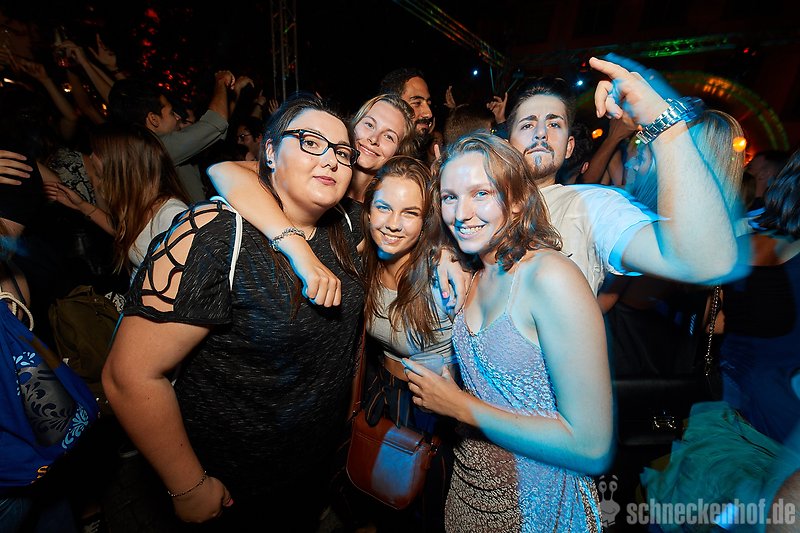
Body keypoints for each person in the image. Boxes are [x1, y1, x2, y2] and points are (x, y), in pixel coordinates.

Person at [101, 93, 365, 530]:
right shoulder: (214, 233)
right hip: (234, 482)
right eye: (311, 142)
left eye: (341, 152)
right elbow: (128, 375)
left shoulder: (347, 224)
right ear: (269, 152)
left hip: (312, 464)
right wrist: (188, 485)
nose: (331, 160)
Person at [405, 132, 612, 531]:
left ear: (517, 199)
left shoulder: (549, 277)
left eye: (481, 193)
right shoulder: (472, 270)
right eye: (449, 197)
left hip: (540, 503)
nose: (461, 213)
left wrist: (459, 406)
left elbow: (592, 447)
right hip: (469, 494)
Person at [504, 55, 744, 296]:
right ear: (506, 146)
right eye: (527, 125)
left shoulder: (591, 207)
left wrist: (662, 121)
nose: (541, 133)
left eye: (554, 124)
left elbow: (706, 261)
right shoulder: (484, 204)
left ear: (569, 147)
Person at [357, 155, 459, 530]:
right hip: (384, 392)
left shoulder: (442, 273)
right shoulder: (363, 258)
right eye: (384, 207)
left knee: (429, 507)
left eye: (410, 212)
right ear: (368, 209)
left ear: (425, 219)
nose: (393, 224)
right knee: (387, 496)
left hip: (435, 407)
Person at [44, 123, 190, 278]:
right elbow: (125, 233)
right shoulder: (139, 206)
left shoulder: (170, 213)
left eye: (97, 152)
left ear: (120, 161)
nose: (91, 157)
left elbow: (191, 277)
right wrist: (82, 206)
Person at [107, 72, 233, 202]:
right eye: (172, 112)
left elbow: (214, 135)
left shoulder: (135, 152)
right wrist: (221, 81)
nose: (178, 117)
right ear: (153, 119)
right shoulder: (158, 148)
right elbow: (216, 122)